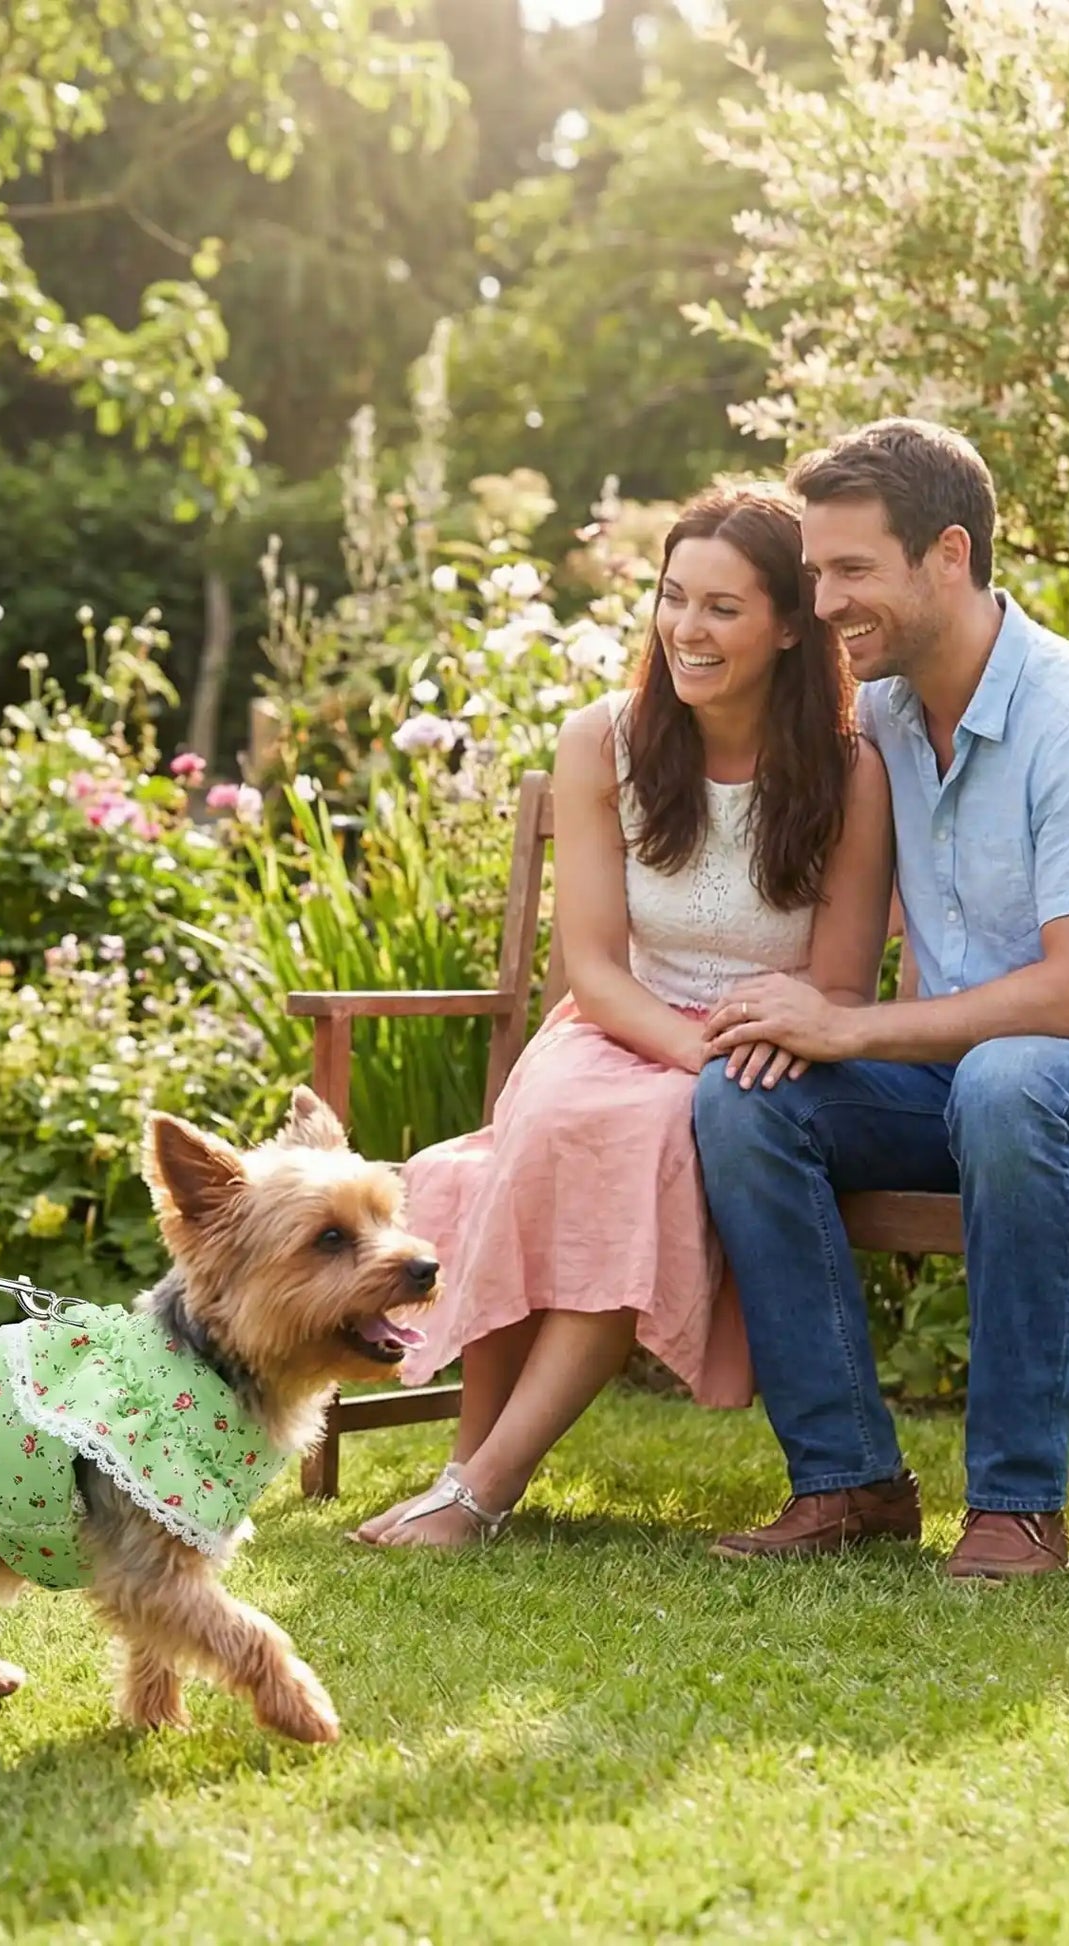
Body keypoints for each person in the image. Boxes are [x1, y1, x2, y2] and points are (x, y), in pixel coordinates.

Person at [355, 484, 892, 1547]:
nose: (686, 629)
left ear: (789, 624)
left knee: (635, 1138)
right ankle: (462, 1475)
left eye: (722, 607)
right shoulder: (603, 739)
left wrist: (724, 1055)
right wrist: (684, 1046)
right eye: (671, 597)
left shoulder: (847, 770)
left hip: (766, 1050)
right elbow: (593, 969)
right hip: (617, 1026)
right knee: (556, 1123)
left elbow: (836, 988)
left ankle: (480, 1489)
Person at [698, 418, 1069, 1580]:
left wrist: (848, 1026)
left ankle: (1014, 1505)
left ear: (946, 554)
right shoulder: (886, 717)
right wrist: (803, 1023)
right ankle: (847, 1478)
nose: (825, 600)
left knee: (1010, 1078)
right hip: (968, 1085)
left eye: (851, 570)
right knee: (746, 1095)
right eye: (813, 572)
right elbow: (855, 970)